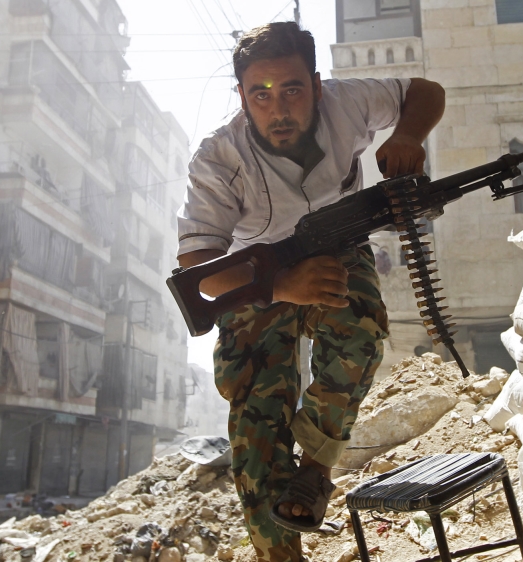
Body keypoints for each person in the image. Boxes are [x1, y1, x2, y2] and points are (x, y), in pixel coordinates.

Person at [176, 22, 445, 561]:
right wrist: (278, 285)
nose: (279, 109)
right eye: (261, 95)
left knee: (360, 331)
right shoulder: (218, 159)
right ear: (243, 98)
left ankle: (316, 469)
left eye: (293, 90)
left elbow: (425, 93)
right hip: (254, 276)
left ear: (317, 86)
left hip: (334, 249)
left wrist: (408, 135)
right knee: (256, 423)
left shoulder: (347, 104)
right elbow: (197, 267)